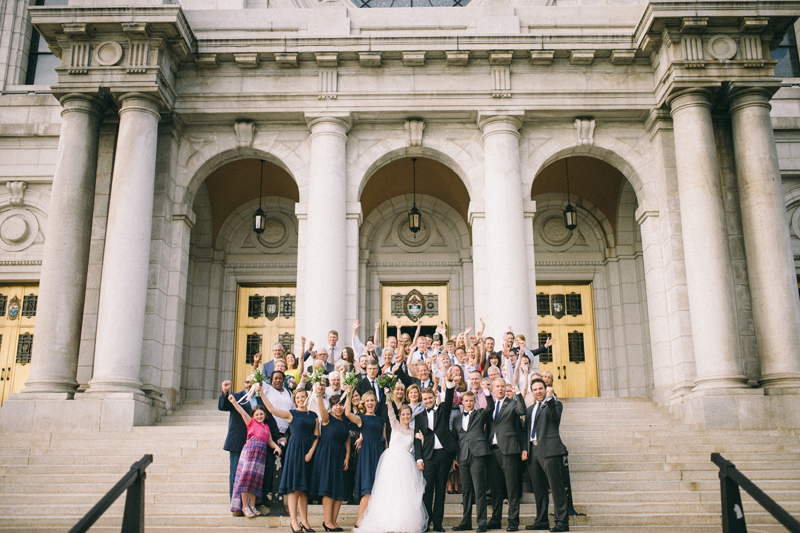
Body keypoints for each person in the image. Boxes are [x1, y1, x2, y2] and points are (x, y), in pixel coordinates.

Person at [353, 387, 429, 533]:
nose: (406, 417)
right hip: (392, 461)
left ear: (411, 416)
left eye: (408, 415)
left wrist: (423, 439)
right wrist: (388, 394)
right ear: (400, 415)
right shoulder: (394, 425)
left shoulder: (413, 432)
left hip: (406, 464)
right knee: (388, 492)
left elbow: (418, 447)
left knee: (403, 493)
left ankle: (402, 523)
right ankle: (386, 523)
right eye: (404, 414)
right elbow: (390, 411)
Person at [260, 385, 319, 533]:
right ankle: (294, 522)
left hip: (308, 450)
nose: (301, 399)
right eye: (298, 397)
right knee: (294, 488)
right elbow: (272, 410)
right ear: (295, 400)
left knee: (304, 489)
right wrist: (260, 392)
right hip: (295, 451)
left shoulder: (314, 415)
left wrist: (311, 452)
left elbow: (317, 436)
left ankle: (305, 521)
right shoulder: (291, 414)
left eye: (303, 397)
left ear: (307, 398)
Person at [219, 377, 281, 512]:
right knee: (237, 473)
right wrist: (225, 392)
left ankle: (258, 500)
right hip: (238, 441)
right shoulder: (236, 397)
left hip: (258, 446)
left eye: (251, 383)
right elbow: (223, 406)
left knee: (259, 472)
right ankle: (237, 507)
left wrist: (278, 438)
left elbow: (269, 421)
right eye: (247, 382)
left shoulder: (261, 400)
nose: (249, 385)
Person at [522, 378, 569, 532]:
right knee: (538, 488)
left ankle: (561, 522)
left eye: (540, 389)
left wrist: (550, 398)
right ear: (532, 392)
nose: (538, 392)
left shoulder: (554, 404)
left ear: (546, 388)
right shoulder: (530, 410)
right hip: (533, 452)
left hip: (550, 451)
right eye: (535, 390)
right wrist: (525, 449)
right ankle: (541, 520)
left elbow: (554, 418)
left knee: (556, 487)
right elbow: (526, 432)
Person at [414, 380, 458, 532]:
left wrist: (450, 382)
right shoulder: (419, 417)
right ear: (422, 400)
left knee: (440, 491)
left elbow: (450, 395)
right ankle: (426, 523)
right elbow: (416, 440)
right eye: (425, 399)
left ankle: (438, 524)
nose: (428, 401)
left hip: (444, 455)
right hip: (428, 457)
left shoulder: (442, 411)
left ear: (434, 397)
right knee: (427, 492)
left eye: (430, 398)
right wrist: (419, 458)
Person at [484, 377, 526, 532]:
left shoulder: (513, 403)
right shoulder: (491, 405)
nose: (500, 389)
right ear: (493, 389)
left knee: (511, 487)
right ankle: (496, 519)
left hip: (509, 450)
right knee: (495, 489)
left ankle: (513, 520)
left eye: (502, 386)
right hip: (492, 450)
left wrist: (519, 394)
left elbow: (522, 411)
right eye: (497, 387)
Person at [451, 388, 495, 532]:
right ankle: (466, 522)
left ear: (474, 402)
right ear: (462, 402)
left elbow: (490, 407)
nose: (469, 403)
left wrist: (487, 392)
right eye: (466, 401)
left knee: (479, 490)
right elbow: (454, 439)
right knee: (467, 491)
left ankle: (481, 523)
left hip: (478, 455)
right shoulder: (457, 418)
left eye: (471, 401)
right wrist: (453, 458)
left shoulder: (480, 414)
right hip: (463, 456)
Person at [311, 387, 350, 532]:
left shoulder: (345, 423)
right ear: (331, 407)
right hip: (327, 455)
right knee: (328, 488)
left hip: (340, 455)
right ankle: (327, 522)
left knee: (338, 488)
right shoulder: (327, 418)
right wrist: (320, 395)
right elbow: (321, 409)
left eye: (340, 404)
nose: (338, 407)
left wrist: (347, 456)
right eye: (335, 405)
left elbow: (346, 441)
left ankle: (334, 521)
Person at [344, 388, 385, 527]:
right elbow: (347, 413)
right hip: (367, 454)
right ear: (363, 403)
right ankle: (358, 522)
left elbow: (384, 439)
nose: (370, 403)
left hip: (379, 453)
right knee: (368, 489)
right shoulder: (361, 419)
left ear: (375, 402)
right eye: (367, 400)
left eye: (372, 400)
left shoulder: (380, 419)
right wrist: (349, 394)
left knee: (378, 489)